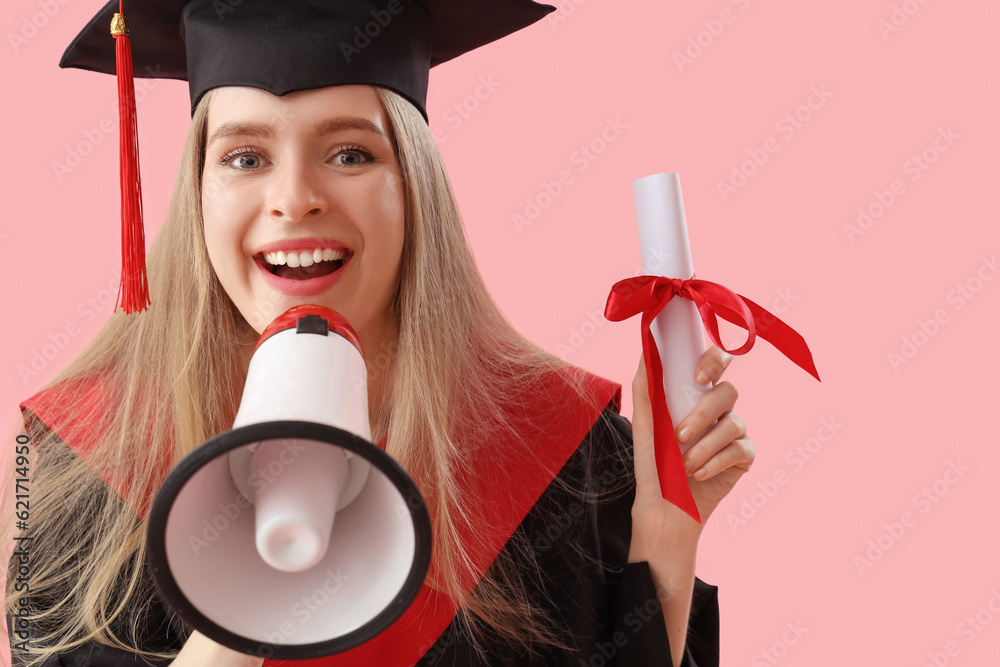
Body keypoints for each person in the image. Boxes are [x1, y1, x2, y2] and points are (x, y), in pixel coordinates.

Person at [4, 1, 755, 666]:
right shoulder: (83, 460)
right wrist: (242, 597)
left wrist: (664, 530)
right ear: (198, 191)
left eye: (350, 153)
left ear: (414, 188)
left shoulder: (562, 451)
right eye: (244, 157)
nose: (295, 199)